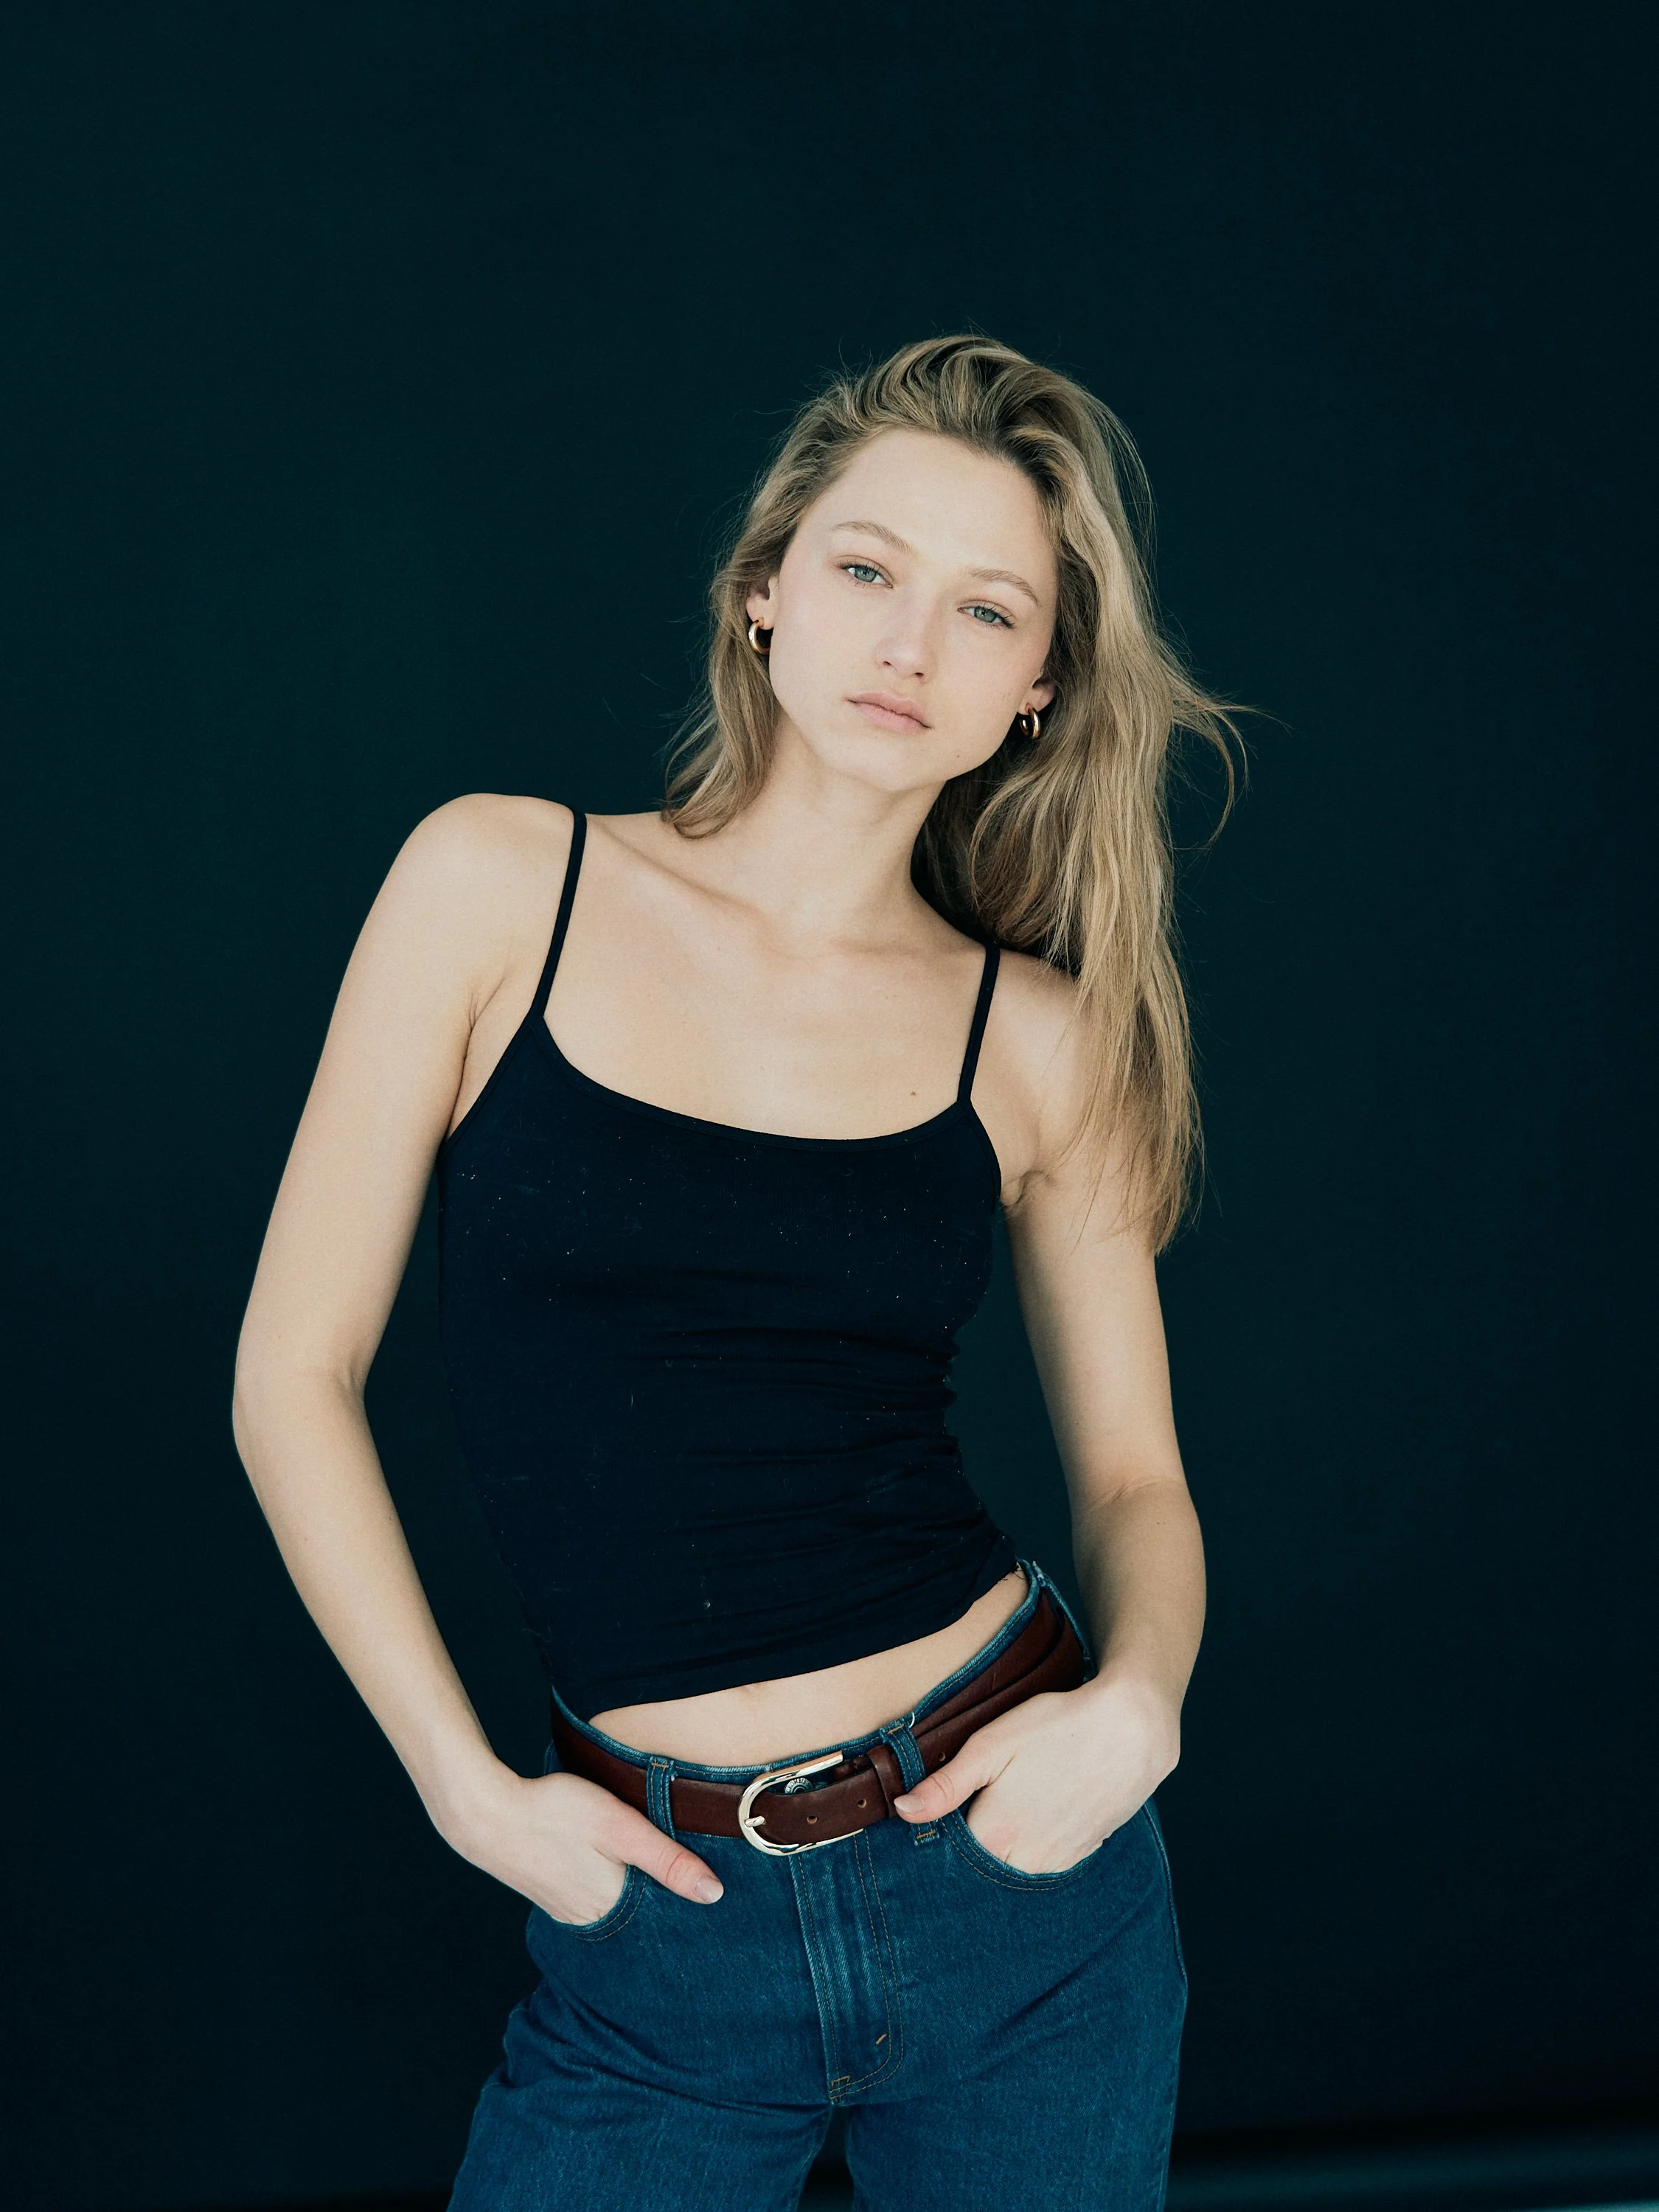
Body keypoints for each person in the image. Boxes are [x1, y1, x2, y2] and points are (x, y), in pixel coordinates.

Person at [232, 334, 1239, 2211]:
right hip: (658, 1923)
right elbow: (292, 1376)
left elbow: (1132, 1482)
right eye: (866, 569)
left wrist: (1143, 1706)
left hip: (1020, 1887)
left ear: (1037, 687)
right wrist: (461, 1784)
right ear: (764, 589)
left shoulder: (1039, 1040)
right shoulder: (497, 886)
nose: (910, 643)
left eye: (987, 609)